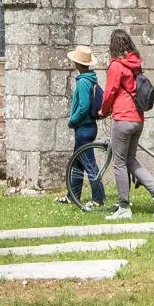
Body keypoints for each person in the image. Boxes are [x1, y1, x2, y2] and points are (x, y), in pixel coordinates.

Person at [101, 28, 154, 220]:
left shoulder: (116, 65)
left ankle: (124, 207)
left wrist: (103, 111)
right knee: (130, 160)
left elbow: (110, 93)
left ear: (113, 47)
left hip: (123, 118)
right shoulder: (135, 64)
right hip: (138, 118)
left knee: (119, 163)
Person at [58, 45, 105, 208]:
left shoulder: (84, 81)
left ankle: (98, 198)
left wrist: (73, 120)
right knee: (77, 163)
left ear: (77, 64)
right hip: (86, 128)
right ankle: (73, 195)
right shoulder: (88, 78)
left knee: (90, 164)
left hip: (84, 128)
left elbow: (84, 106)